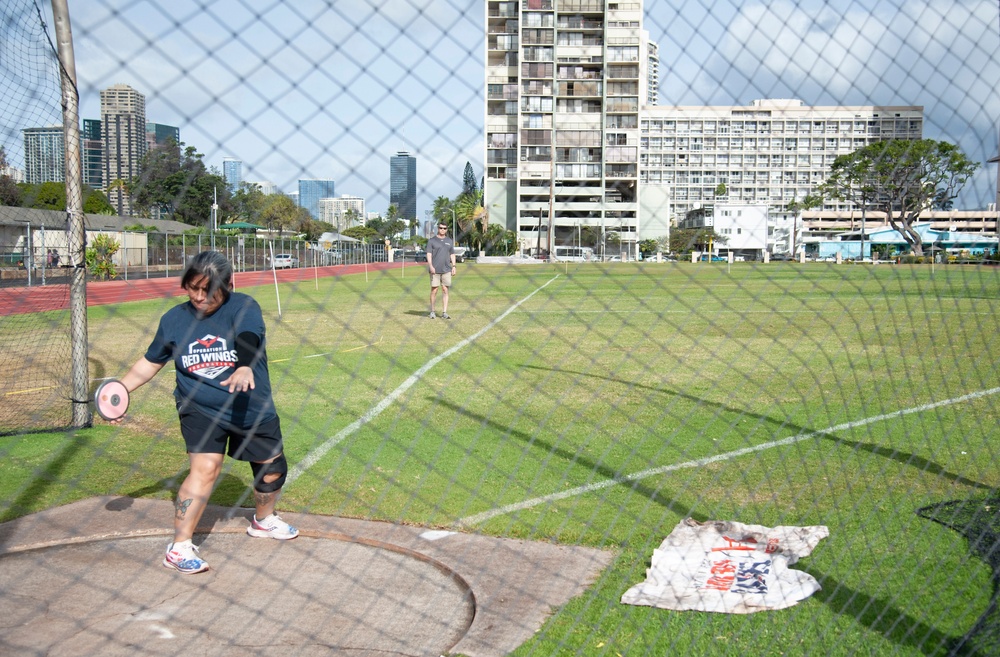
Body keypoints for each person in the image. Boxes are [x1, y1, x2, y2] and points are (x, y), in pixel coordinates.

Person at [116, 250, 298, 575]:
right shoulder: (173, 319)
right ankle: (180, 546)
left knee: (272, 470)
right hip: (199, 406)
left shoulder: (243, 306)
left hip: (249, 405)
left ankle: (264, 520)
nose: (200, 297)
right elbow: (151, 362)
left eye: (209, 290)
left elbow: (248, 337)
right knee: (205, 469)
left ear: (229, 283)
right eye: (193, 288)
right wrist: (120, 391)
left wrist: (244, 367)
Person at [426, 222, 456, 319]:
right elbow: (429, 254)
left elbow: (452, 254)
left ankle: (444, 312)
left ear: (446, 230)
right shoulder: (432, 241)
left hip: (447, 269)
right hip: (435, 269)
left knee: (445, 290)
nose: (442, 230)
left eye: (444, 228)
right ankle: (432, 311)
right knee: (434, 290)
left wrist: (454, 266)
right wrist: (430, 265)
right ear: (438, 228)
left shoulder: (449, 241)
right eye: (441, 228)